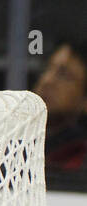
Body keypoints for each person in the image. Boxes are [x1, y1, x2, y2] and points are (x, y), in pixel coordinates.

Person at [34, 41, 87, 172]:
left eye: (63, 75)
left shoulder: (80, 157)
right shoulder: (11, 142)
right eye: (47, 69)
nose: (47, 80)